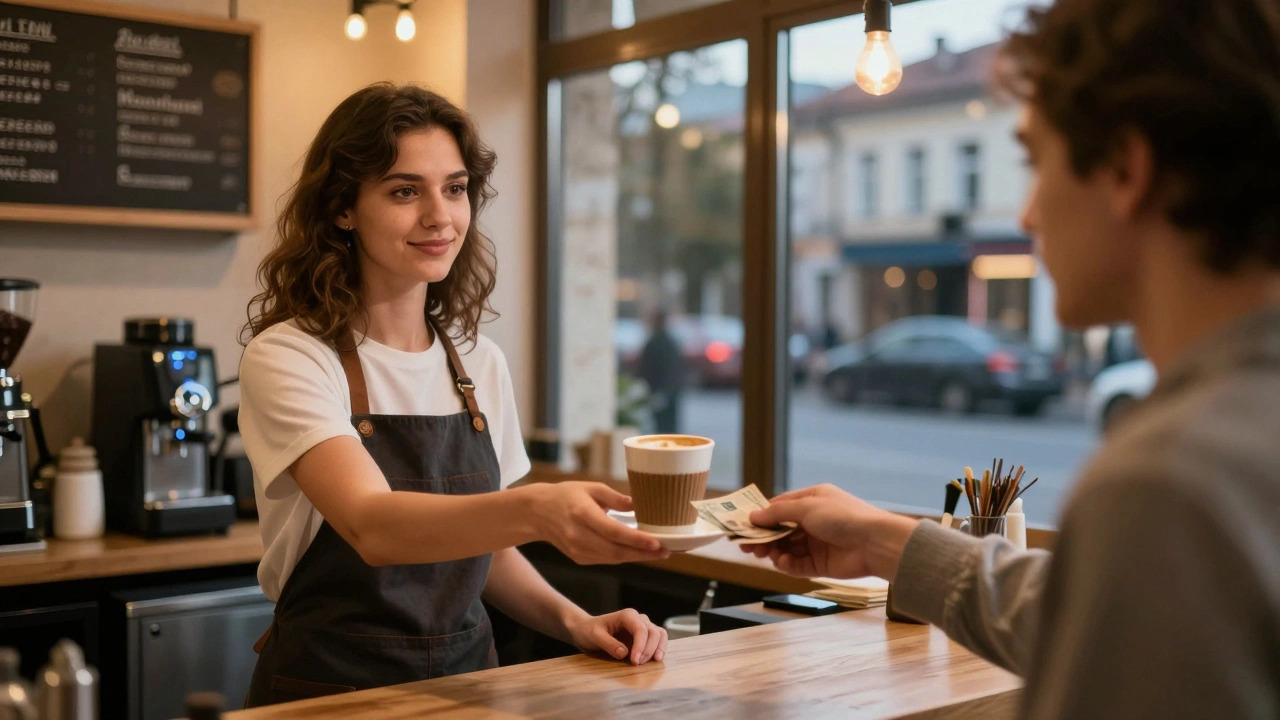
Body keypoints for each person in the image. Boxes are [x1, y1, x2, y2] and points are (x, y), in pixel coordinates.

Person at [745, 1, 1280, 717]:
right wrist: (886, 542)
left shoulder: (1168, 484)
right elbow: (1086, 619)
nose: (1026, 215)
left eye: (1034, 161)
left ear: (1125, 167)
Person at [238, 83, 668, 708]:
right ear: (342, 208)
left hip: (468, 689)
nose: (440, 216)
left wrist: (579, 623)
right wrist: (538, 509)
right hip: (330, 690)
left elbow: (482, 547)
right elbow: (373, 525)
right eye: (404, 190)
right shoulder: (291, 355)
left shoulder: (479, 365)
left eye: (456, 188)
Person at [638, 309, 684, 433]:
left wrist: (662, 393)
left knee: (665, 429)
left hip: (662, 392)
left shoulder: (659, 342)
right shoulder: (669, 341)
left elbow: (670, 370)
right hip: (665, 392)